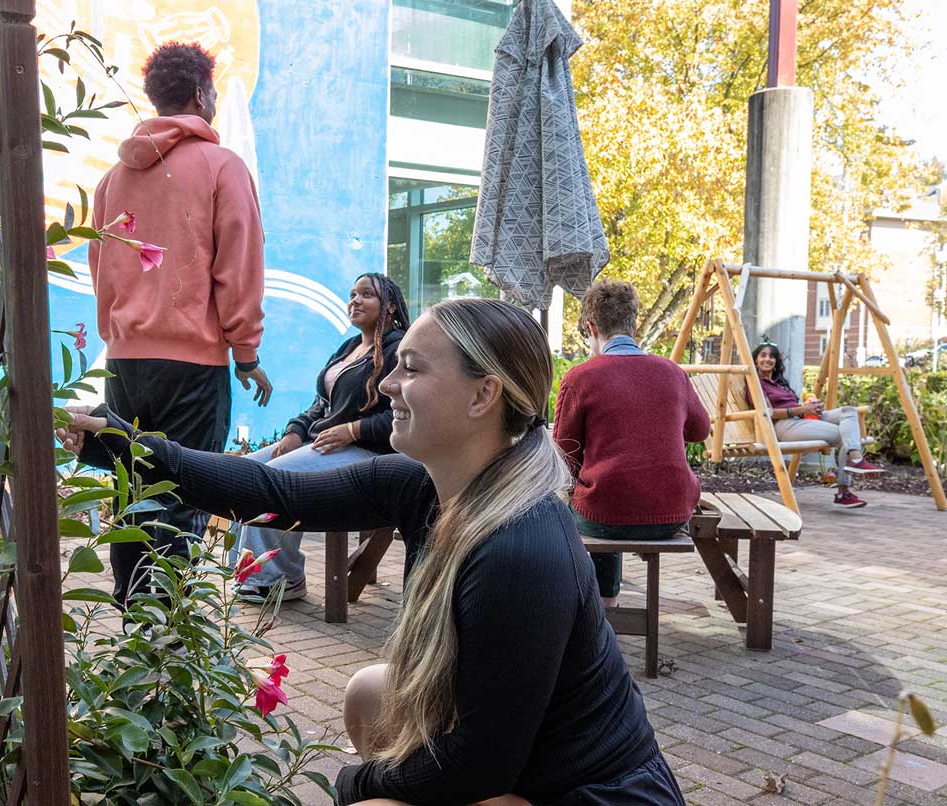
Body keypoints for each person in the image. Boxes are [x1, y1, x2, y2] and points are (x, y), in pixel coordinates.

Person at [59, 298, 684, 806]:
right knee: (368, 693)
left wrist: (357, 783)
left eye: (411, 367)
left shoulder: (519, 548)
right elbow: (274, 492)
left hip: (596, 793)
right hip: (516, 769)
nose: (386, 383)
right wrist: (120, 442)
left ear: (482, 396)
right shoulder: (428, 488)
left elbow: (479, 766)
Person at [88, 42, 272, 606]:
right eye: (212, 90)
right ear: (199, 93)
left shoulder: (113, 178)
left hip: (125, 362)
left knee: (132, 488)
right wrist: (246, 352)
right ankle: (165, 636)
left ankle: (133, 614)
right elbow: (237, 263)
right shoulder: (222, 167)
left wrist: (120, 334)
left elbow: (102, 266)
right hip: (192, 365)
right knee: (184, 490)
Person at [234, 273, 410, 601]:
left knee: (274, 478)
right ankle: (248, 571)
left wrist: (354, 429)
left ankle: (279, 579)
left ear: (389, 307)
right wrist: (294, 431)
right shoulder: (349, 347)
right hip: (325, 441)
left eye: (366, 294)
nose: (354, 300)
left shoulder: (400, 349)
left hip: (371, 451)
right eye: (352, 294)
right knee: (242, 473)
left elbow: (408, 413)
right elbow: (322, 405)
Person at [552, 280, 710, 607]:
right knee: (608, 495)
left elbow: (563, 455)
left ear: (592, 327)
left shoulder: (581, 377)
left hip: (605, 515)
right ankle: (607, 602)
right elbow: (700, 430)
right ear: (634, 325)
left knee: (588, 501)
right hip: (673, 512)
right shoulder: (672, 372)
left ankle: (600, 605)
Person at [751, 341, 883, 508]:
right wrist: (801, 409)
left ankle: (855, 461)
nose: (767, 359)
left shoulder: (780, 383)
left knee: (849, 412)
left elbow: (797, 406)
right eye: (763, 355)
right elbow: (767, 412)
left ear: (776, 361)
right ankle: (845, 488)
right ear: (755, 360)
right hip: (784, 426)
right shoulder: (756, 384)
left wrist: (812, 408)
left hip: (801, 420)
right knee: (846, 434)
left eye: (771, 356)